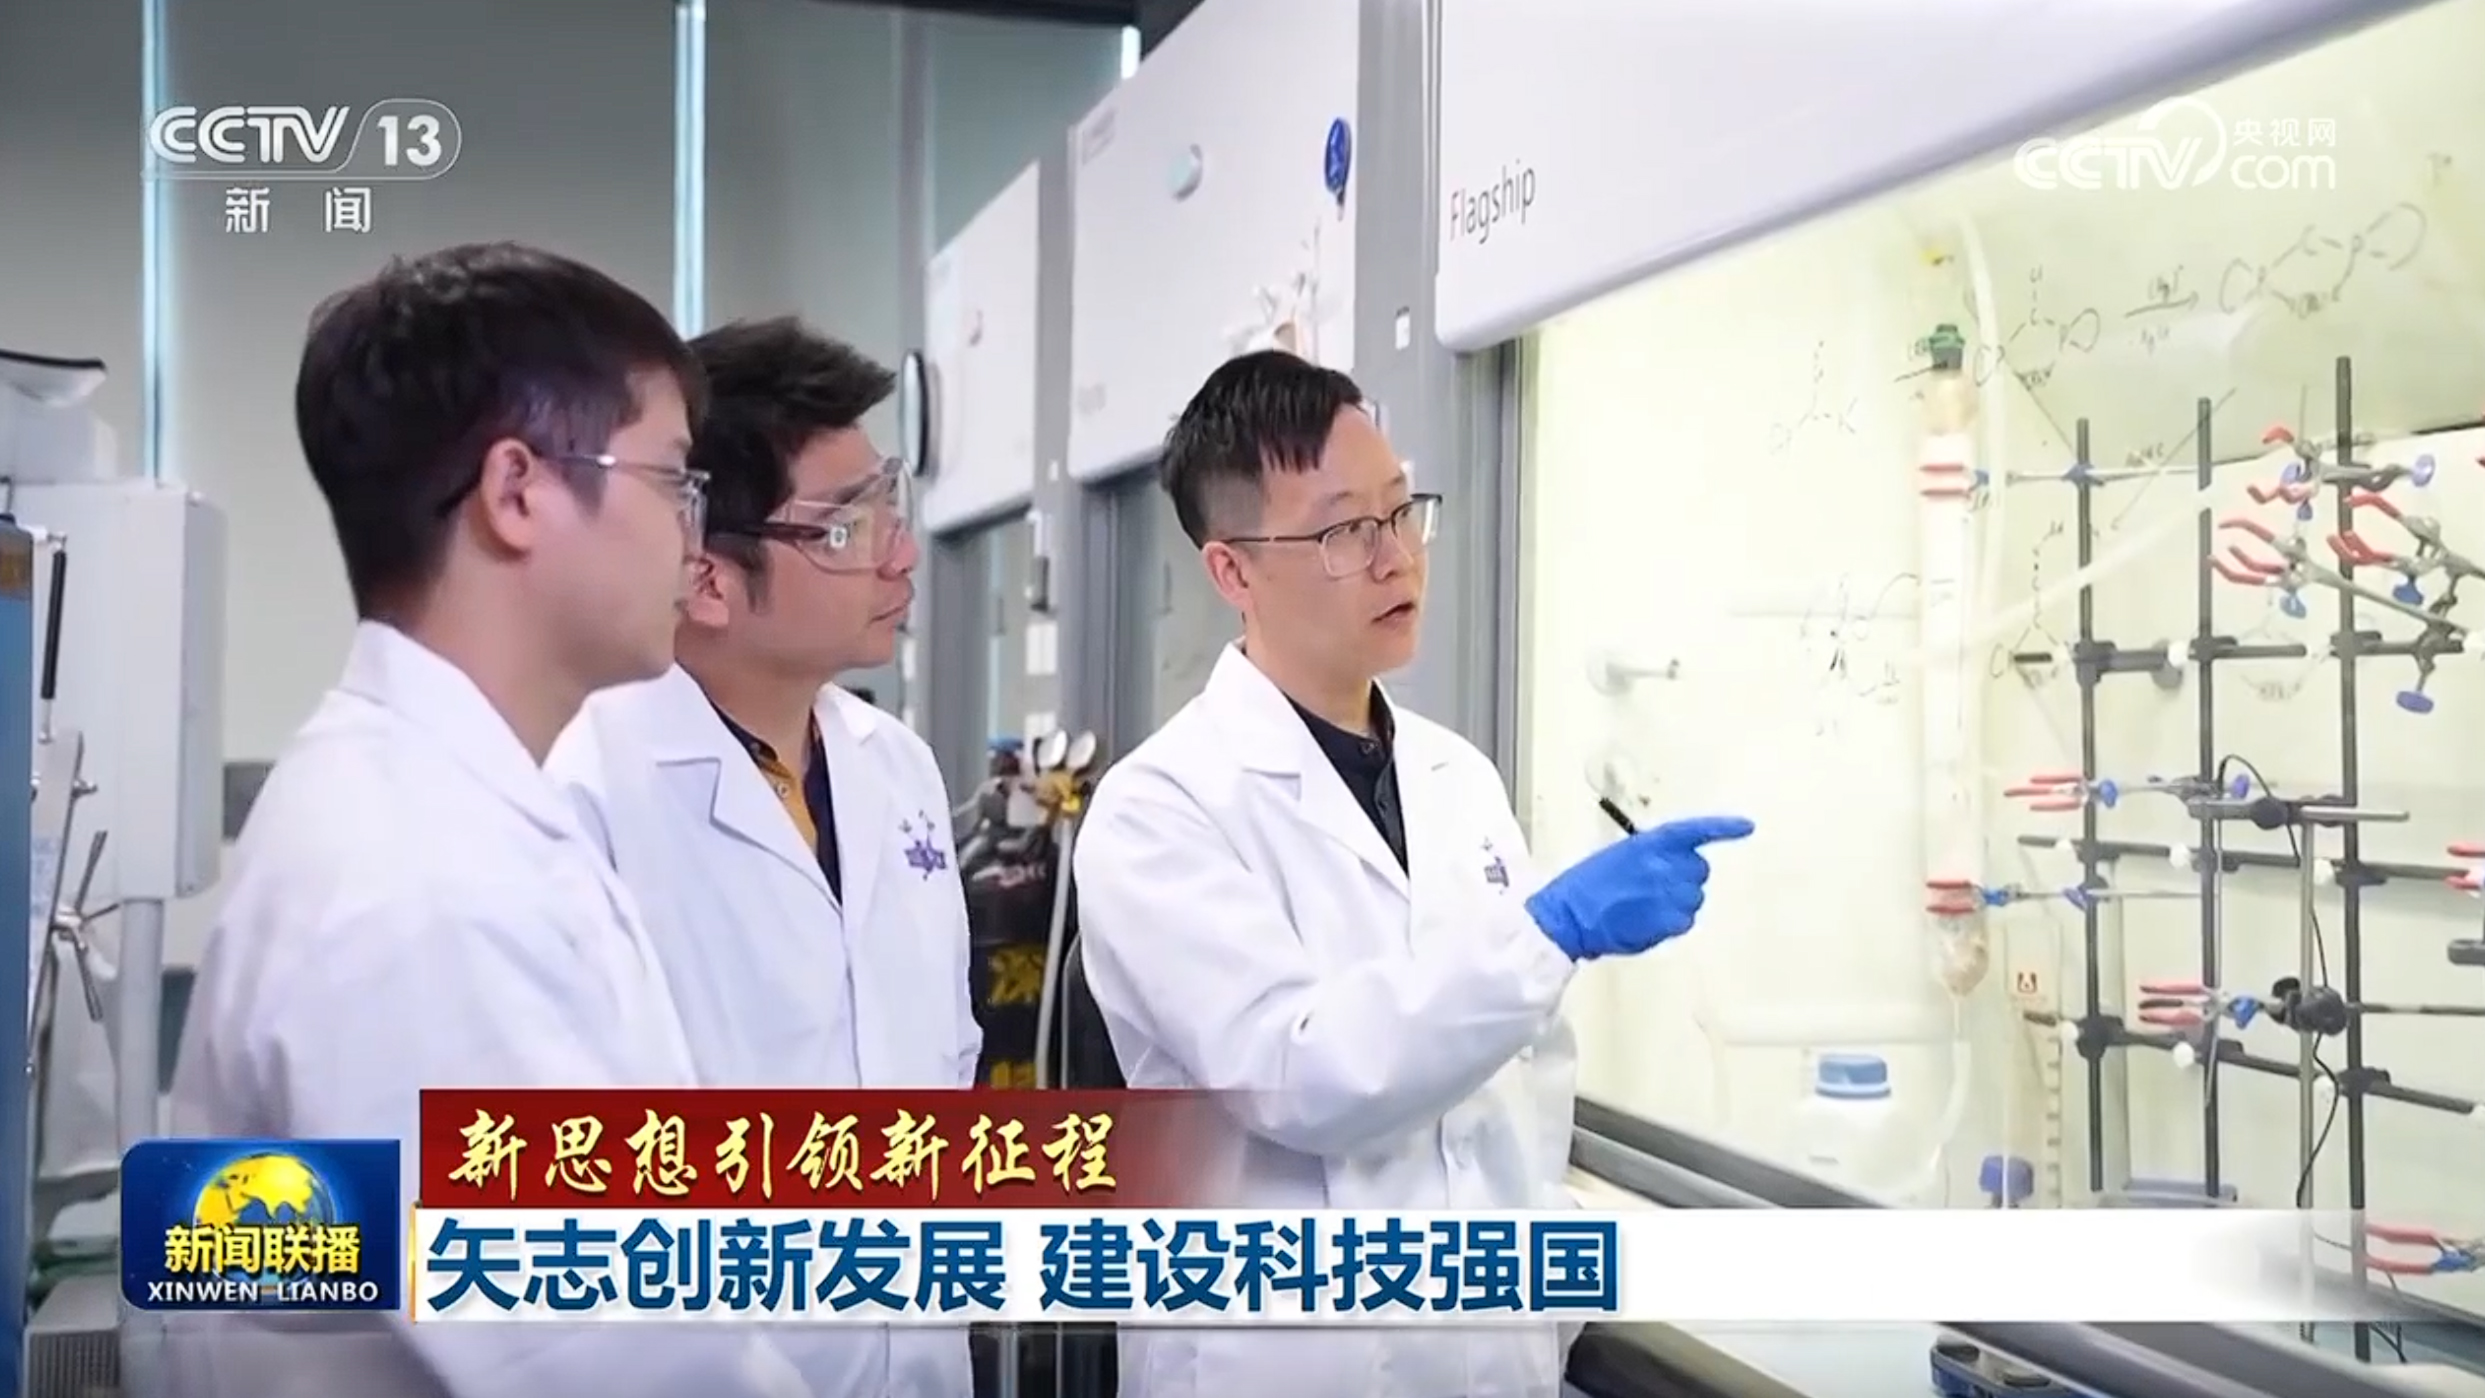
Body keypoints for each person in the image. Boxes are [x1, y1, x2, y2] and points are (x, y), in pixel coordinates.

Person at [163, 244, 821, 1398]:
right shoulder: (416, 878)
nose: (693, 536)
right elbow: (616, 1360)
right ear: (517, 492)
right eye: (673, 480)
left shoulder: (447, 809)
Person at [1072, 350, 1755, 1398]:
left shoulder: (1456, 776)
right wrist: (1549, 933)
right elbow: (1298, 1076)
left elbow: (1528, 1081)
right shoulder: (1160, 809)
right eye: (1345, 531)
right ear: (1232, 573)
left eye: (1401, 511)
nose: (1396, 558)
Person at [545, 318, 976, 1396]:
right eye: (845, 527)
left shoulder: (897, 767)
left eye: (889, 502)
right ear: (705, 579)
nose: (898, 552)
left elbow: (941, 1064)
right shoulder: (582, 792)